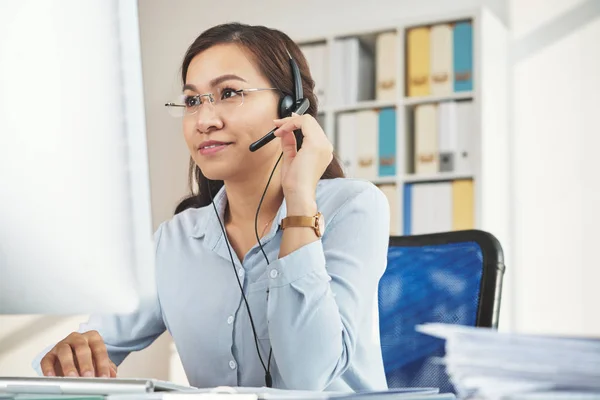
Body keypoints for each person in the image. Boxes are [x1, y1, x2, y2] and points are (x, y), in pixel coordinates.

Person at [33, 22, 391, 392]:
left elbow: (309, 378)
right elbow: (84, 355)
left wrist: (300, 197)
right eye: (192, 101)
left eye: (230, 92)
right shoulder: (175, 240)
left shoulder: (354, 207)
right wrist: (72, 353)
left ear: (291, 106)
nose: (205, 121)